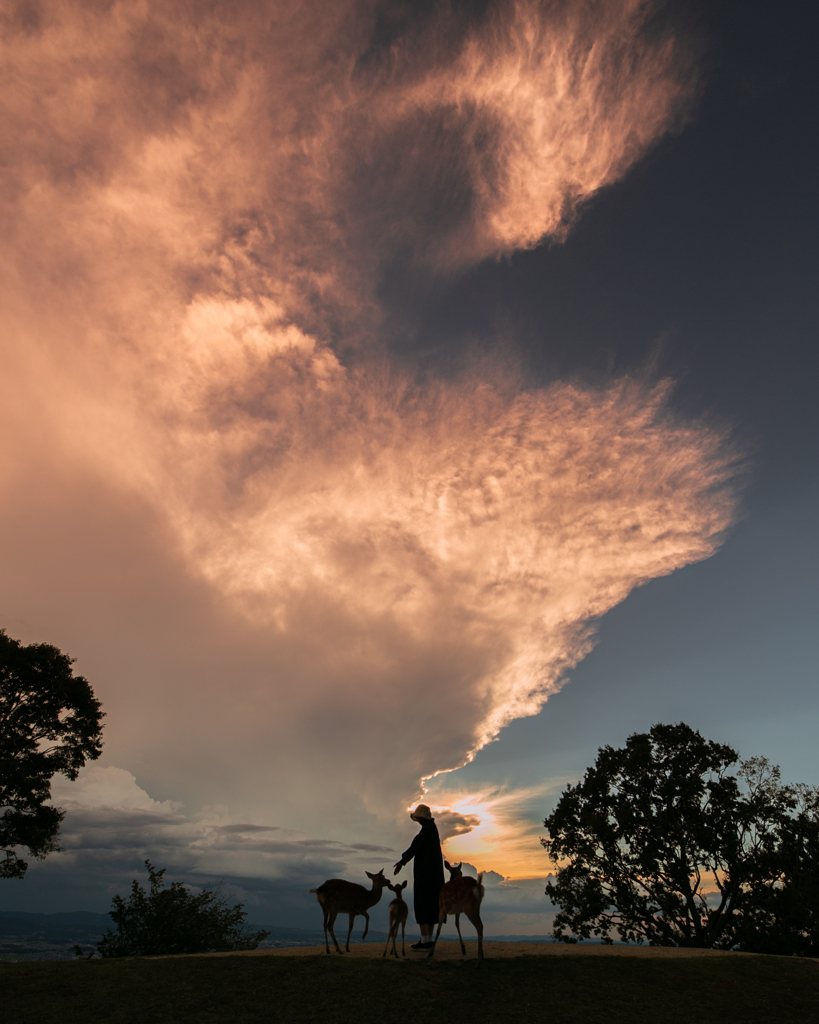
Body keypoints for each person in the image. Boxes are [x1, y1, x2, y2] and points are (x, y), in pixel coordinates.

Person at [393, 803, 445, 950]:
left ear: (420, 818)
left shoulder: (426, 832)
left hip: (425, 877)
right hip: (435, 877)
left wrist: (402, 862)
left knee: (423, 905)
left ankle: (425, 941)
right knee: (432, 906)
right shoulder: (432, 831)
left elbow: (414, 847)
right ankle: (428, 940)